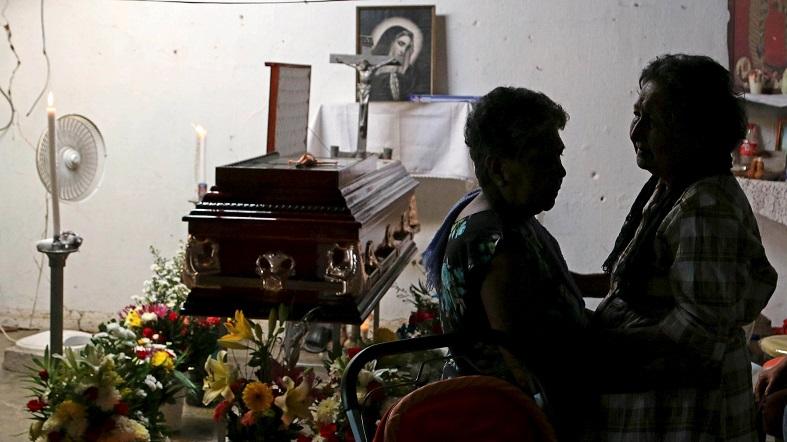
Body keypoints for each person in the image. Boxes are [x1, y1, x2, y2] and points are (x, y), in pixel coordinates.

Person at [589, 54, 778, 440]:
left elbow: (698, 332)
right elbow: (643, 282)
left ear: (695, 133)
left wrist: (594, 343)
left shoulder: (705, 205)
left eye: (653, 122)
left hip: (690, 414)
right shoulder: (673, 187)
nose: (635, 132)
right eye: (637, 114)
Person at [422, 86, 590, 440]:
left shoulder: (507, 215)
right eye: (544, 159)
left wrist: (612, 283)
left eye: (559, 156)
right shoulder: (496, 243)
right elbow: (526, 369)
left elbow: (545, 283)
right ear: (499, 168)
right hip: (503, 422)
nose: (560, 172)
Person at [369, 26, 418, 101]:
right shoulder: (371, 67)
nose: (403, 50)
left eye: (407, 47)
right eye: (401, 44)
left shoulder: (410, 72)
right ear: (390, 42)